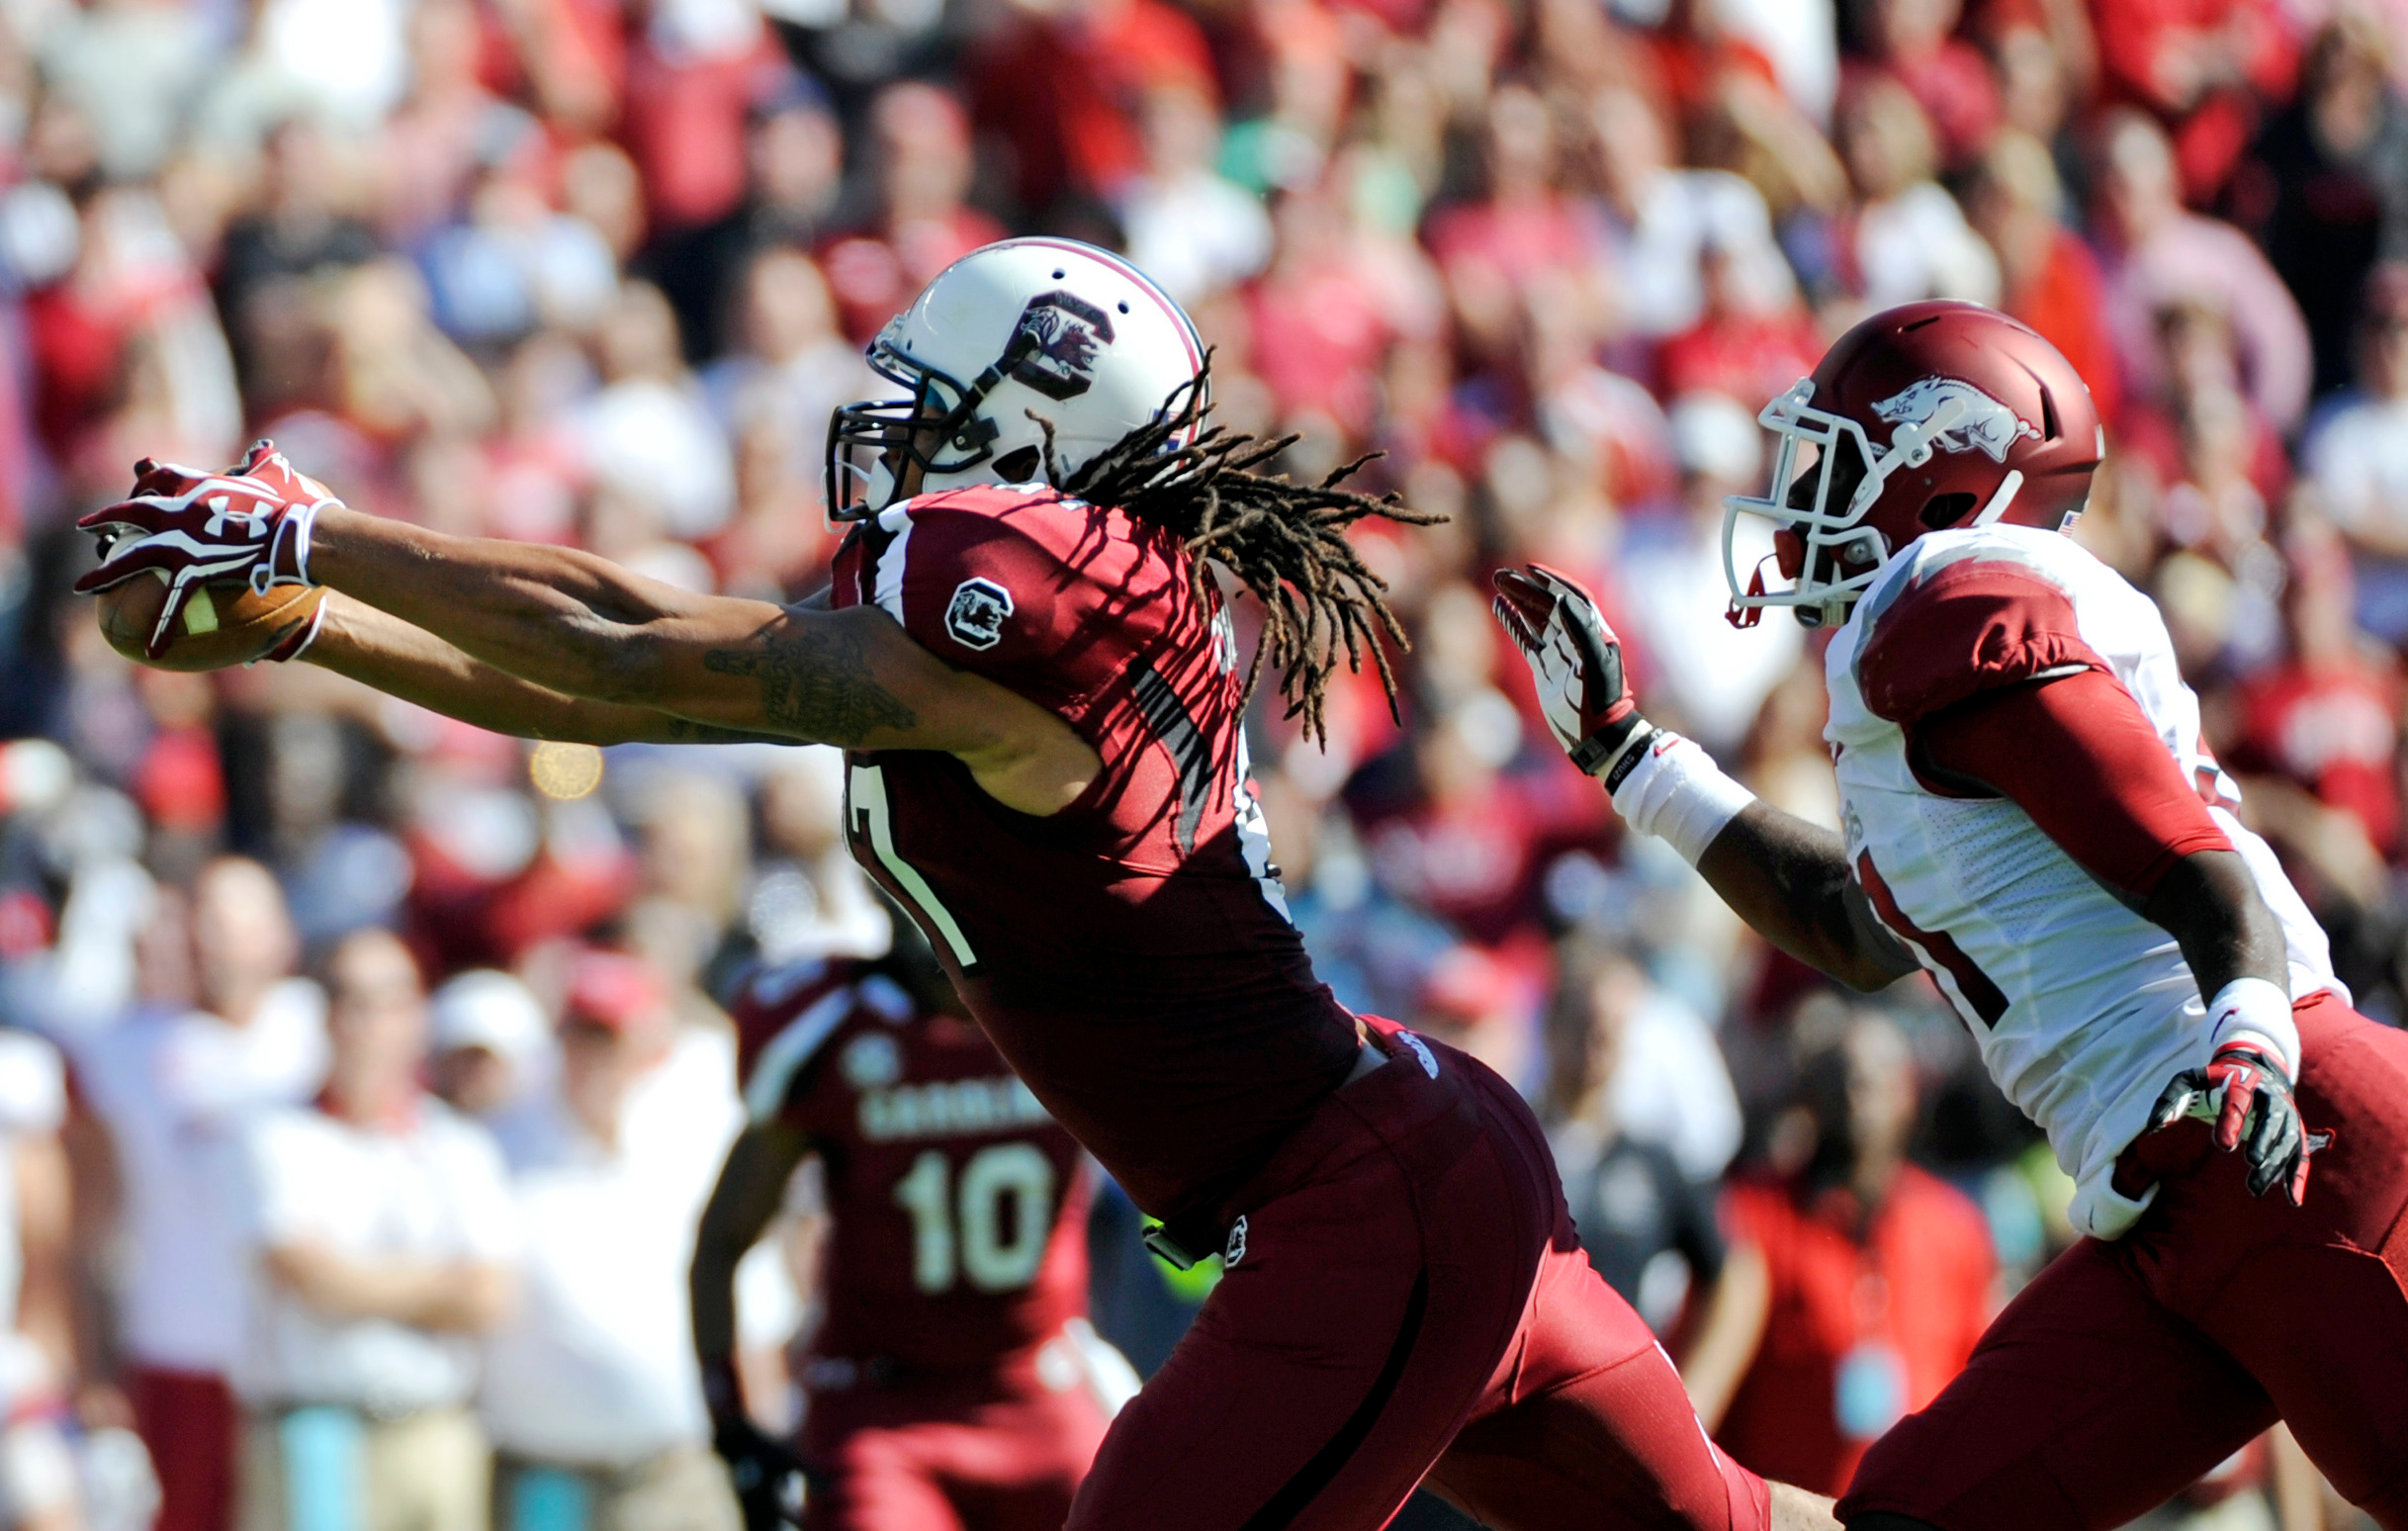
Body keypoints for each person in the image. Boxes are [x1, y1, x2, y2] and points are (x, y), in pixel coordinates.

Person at [77, 237, 1836, 1531]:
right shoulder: (1050, 605)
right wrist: (313, 620)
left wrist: (316, 530)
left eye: (939, 403)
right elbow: (622, 687)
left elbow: (631, 650)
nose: (894, 428)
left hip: (1355, 1198)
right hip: (1400, 1150)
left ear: (1036, 440)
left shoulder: (1023, 604)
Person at [1490, 300, 2408, 1525]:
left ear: (1942, 476)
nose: (1804, 493)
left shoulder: (1946, 601)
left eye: (1839, 457)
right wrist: (1634, 760)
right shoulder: (1925, 666)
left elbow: (2192, 865)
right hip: (2167, 1198)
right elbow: (1862, 931)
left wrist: (2245, 1033)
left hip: (2287, 1138)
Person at [692, 929, 1123, 1531]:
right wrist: (732, 1429)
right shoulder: (828, 1024)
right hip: (883, 1407)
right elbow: (721, 1241)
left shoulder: (1070, 1005)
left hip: (1036, 1381)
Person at [227, 929, 517, 1531]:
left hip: (431, 1433)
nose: (369, 1024)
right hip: (318, 1433)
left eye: (389, 1001)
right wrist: (436, 1287)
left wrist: (354, 1283)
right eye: (350, 1000)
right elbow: (305, 1274)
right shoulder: (276, 1136)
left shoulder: (457, 1147)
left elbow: (489, 1296)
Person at [72, 859, 326, 1531]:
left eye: (235, 919)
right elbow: (88, 1218)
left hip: (308, 1362)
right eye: (203, 917)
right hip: (177, 1350)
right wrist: (95, 1358)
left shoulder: (323, 1032)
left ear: (280, 935)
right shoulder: (125, 1051)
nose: (214, 937)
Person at [481, 951, 742, 1531]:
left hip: (674, 1473)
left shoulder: (687, 1141)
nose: (598, 1058)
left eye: (613, 1039)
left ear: (647, 1051)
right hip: (545, 1475)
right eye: (584, 1035)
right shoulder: (498, 1147)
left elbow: (746, 1297)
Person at [1711, 1011, 1993, 1496]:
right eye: (1838, 1076)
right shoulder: (1752, 1218)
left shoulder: (1954, 1227)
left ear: (1909, 1095)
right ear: (1809, 1100)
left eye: (1876, 1078)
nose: (1855, 1091)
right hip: (1786, 1515)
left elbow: (1982, 1396)